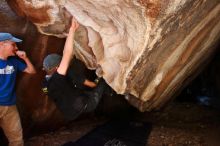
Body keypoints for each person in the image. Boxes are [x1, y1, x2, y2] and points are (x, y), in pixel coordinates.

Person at [42, 18, 107, 121]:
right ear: (57, 68)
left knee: (80, 91)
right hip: (85, 104)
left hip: (69, 112)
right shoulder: (58, 79)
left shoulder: (45, 84)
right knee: (104, 82)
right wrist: (72, 30)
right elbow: (67, 53)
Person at [0, 32, 36, 146]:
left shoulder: (14, 62)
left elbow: (32, 71)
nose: (16, 48)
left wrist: (25, 58)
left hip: (10, 105)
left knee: (17, 139)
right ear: (2, 44)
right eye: (13, 45)